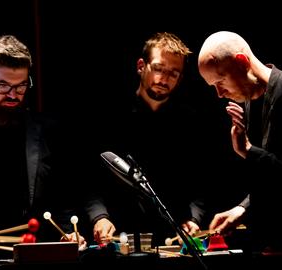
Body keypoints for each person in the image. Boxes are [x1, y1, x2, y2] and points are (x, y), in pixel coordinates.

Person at [0, 35, 115, 261]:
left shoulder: (46, 130)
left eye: (21, 86)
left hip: (36, 259)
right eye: (3, 85)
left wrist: (72, 229)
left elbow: (69, 190)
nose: (12, 94)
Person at [95, 32, 234, 248]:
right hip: (120, 238)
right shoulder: (111, 117)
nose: (164, 79)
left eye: (173, 73)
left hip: (172, 239)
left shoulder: (190, 122)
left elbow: (201, 181)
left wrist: (193, 219)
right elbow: (90, 178)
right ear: (142, 66)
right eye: (158, 68)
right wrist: (99, 217)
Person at [198, 31, 282, 252]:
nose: (219, 94)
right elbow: (270, 182)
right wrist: (243, 208)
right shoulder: (251, 101)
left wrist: (248, 151)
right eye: (213, 85)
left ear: (242, 62)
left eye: (220, 81)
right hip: (272, 244)